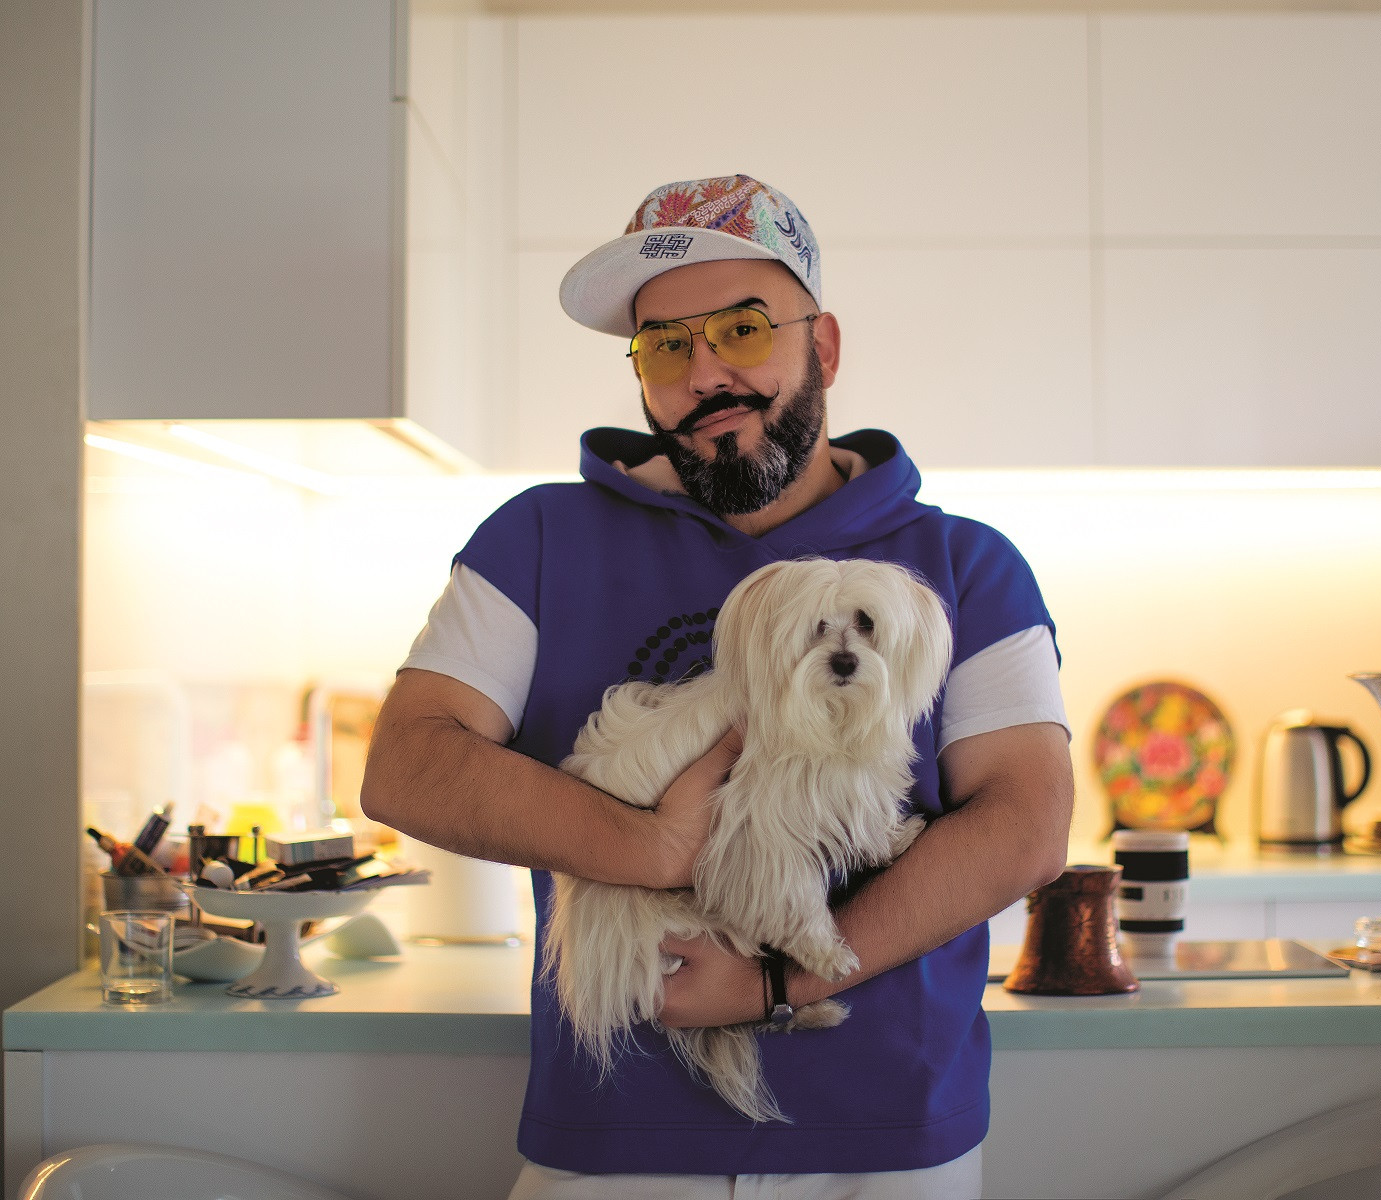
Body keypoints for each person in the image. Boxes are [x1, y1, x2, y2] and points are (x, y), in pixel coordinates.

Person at [361, 174, 1074, 1200]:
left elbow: (1026, 822)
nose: (705, 374)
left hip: (887, 1143)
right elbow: (407, 765)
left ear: (824, 347)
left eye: (743, 329)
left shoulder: (965, 567)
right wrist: (653, 846)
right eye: (665, 347)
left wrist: (776, 981)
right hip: (614, 1141)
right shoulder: (539, 541)